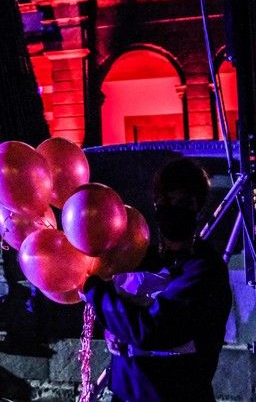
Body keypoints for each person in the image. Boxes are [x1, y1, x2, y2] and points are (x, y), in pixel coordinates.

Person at [82, 158, 232, 402]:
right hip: (126, 394)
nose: (173, 209)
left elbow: (151, 330)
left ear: (199, 209)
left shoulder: (204, 269)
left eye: (183, 203)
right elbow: (117, 317)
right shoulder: (141, 257)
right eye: (166, 201)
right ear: (155, 205)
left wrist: (94, 290)